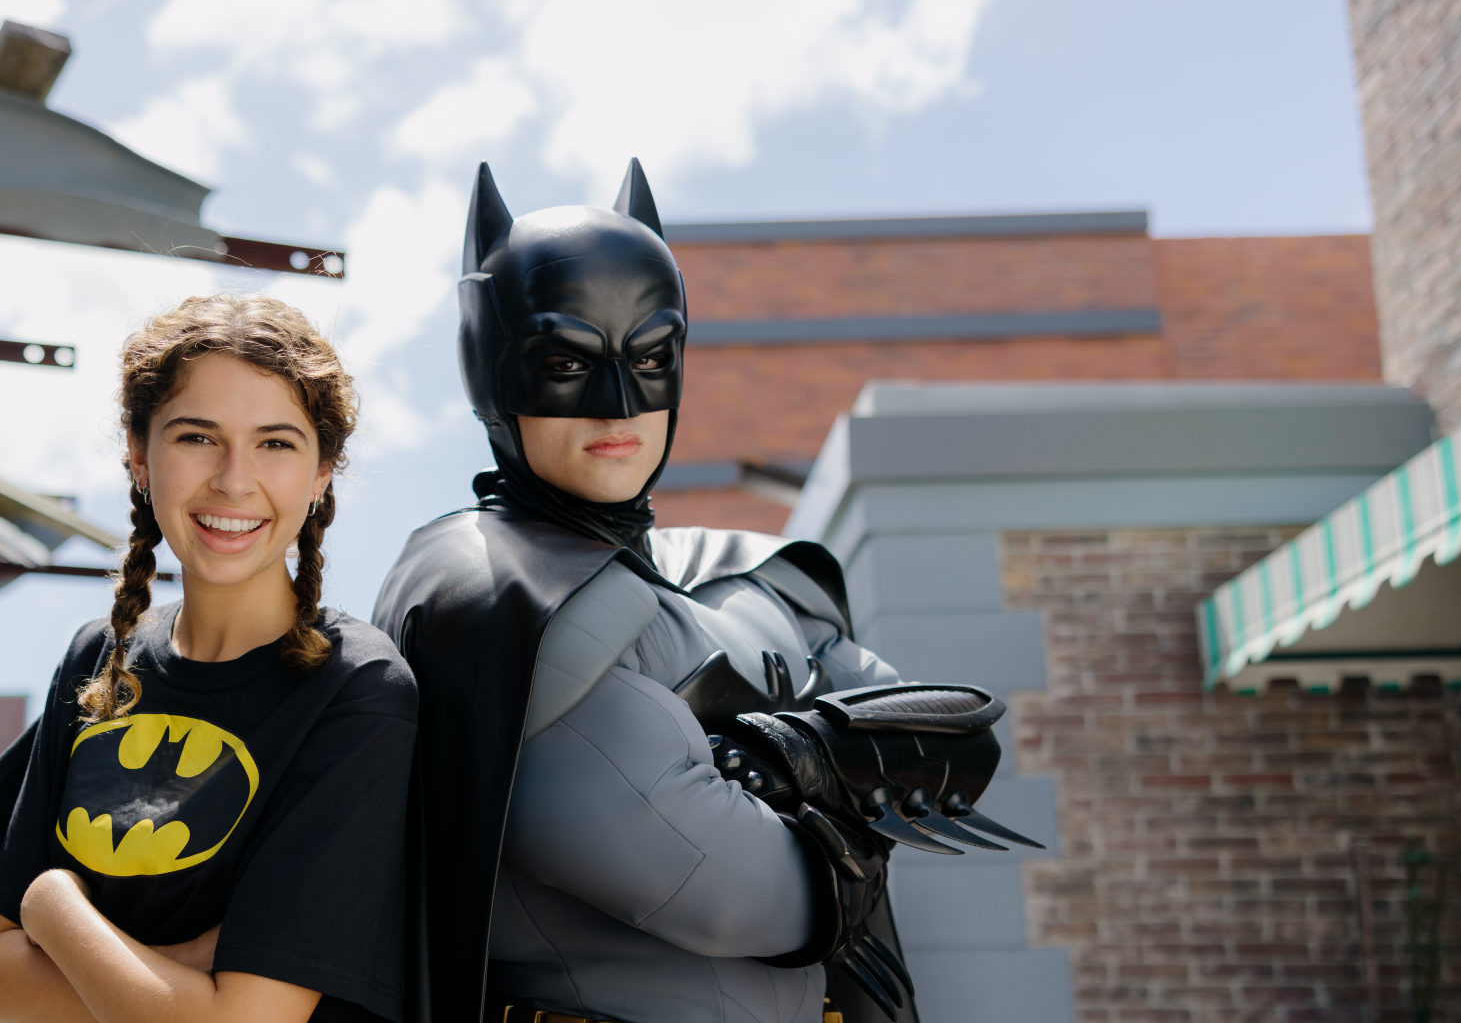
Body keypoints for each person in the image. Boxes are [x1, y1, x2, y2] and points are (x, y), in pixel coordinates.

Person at [373, 162, 1036, 1023]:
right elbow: (749, 893)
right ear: (494, 371)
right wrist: (838, 772)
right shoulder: (489, 587)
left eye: (650, 357)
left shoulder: (747, 570)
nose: (618, 405)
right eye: (566, 362)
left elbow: (956, 745)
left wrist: (777, 761)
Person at [0, 294, 418, 1023]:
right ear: (139, 456)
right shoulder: (99, 661)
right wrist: (174, 975)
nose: (233, 479)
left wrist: (53, 907)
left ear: (322, 473)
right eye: (196, 437)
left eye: (276, 443)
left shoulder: (357, 689)